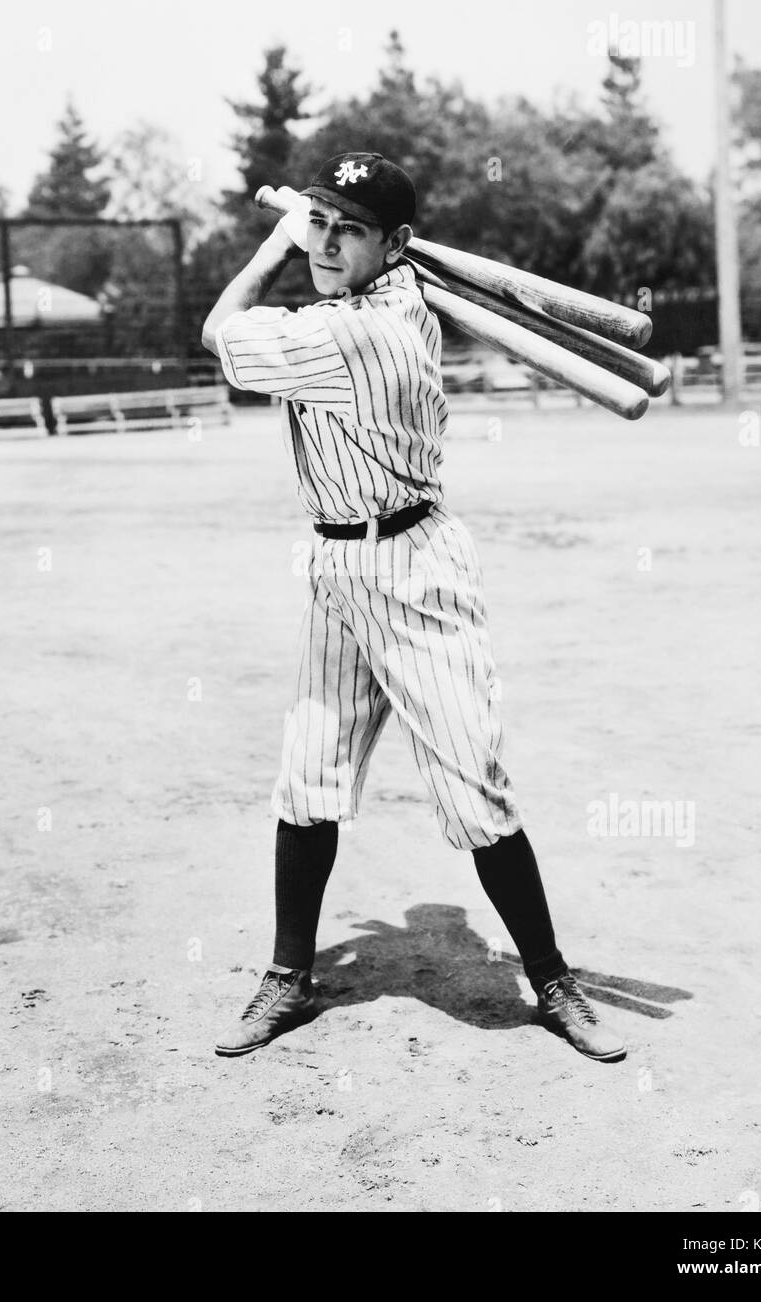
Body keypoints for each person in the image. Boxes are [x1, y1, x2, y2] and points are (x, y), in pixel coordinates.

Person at [201, 152, 625, 1063]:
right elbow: (310, 301)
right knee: (305, 778)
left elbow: (218, 332)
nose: (324, 240)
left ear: (394, 246)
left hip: (413, 570)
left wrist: (274, 242)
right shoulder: (377, 301)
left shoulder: (362, 334)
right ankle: (287, 975)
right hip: (333, 561)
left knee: (473, 790)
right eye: (316, 220)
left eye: (346, 229)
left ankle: (551, 980)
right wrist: (310, 239)